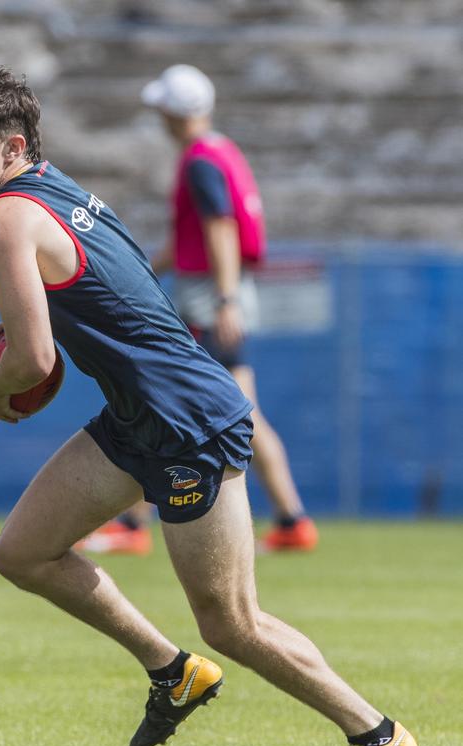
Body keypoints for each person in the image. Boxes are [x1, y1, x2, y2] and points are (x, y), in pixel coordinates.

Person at [0, 64, 417, 746]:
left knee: (233, 622)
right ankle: (172, 669)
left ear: (13, 147)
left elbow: (32, 361)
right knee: (23, 552)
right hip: (137, 416)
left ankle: (378, 736)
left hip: (185, 420)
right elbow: (110, 279)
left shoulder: (2, 219)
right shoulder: (58, 187)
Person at [80, 65, 320, 557]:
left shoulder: (199, 161)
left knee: (167, 403)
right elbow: (196, 235)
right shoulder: (221, 151)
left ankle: (131, 523)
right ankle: (292, 520)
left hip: (208, 301)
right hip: (216, 296)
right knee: (235, 414)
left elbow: (220, 227)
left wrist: (225, 299)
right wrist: (140, 271)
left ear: (172, 112)